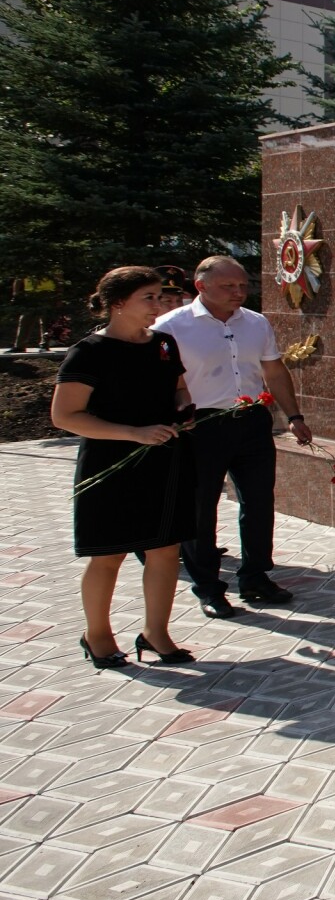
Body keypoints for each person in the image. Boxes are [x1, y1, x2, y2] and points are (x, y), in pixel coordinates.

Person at [50, 267, 198, 668]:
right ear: (117, 304)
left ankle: (156, 633)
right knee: (109, 554)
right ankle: (96, 635)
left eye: (160, 296)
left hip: (164, 458)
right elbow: (65, 416)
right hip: (111, 463)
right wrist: (133, 432)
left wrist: (184, 407)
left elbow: (178, 387)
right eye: (148, 297)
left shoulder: (164, 344)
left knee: (165, 550)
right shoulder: (90, 352)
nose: (160, 304)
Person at [156, 255, 313, 618]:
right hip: (200, 426)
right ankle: (209, 588)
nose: (238, 292)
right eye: (228, 286)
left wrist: (294, 416)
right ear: (201, 286)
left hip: (252, 421)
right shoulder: (171, 326)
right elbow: (161, 382)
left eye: (243, 286)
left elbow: (273, 371)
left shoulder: (255, 323)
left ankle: (256, 576)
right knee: (200, 508)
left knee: (258, 501)